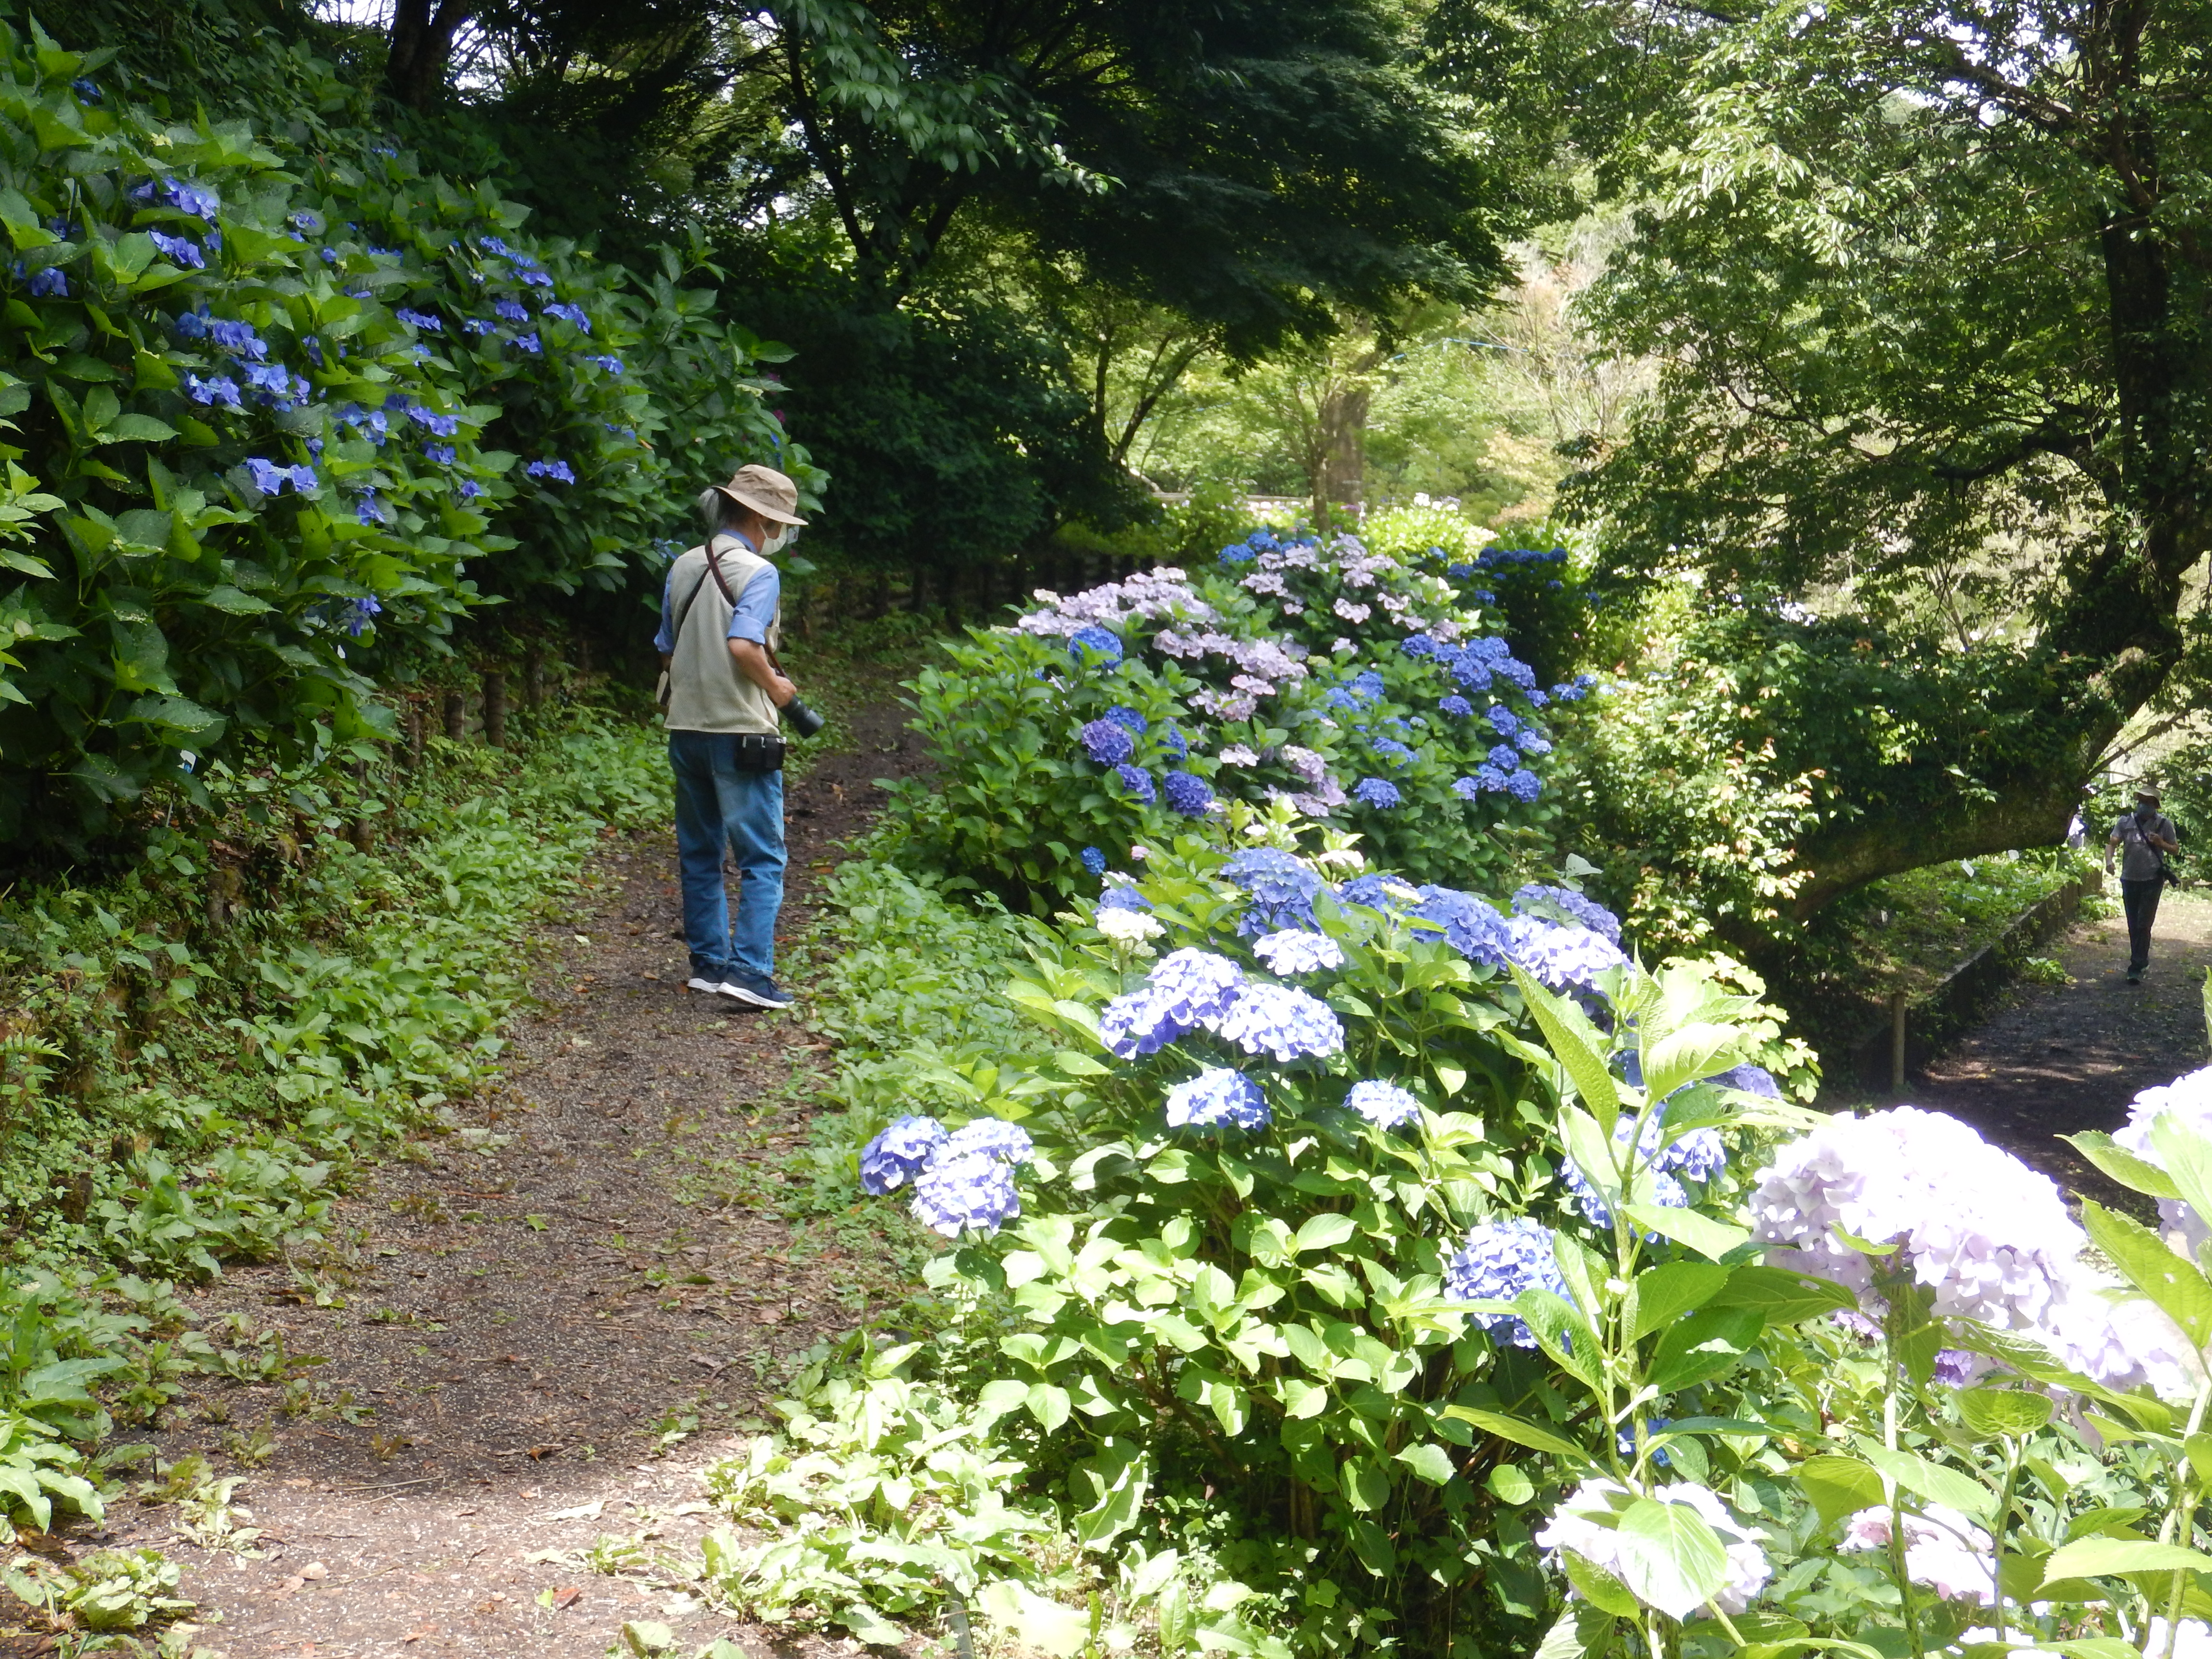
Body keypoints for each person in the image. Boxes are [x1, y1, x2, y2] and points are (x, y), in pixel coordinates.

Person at [655, 464, 806, 1010]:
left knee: (700, 851)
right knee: (762, 859)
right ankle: (750, 973)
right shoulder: (758, 572)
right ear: (765, 519)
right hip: (741, 732)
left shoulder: (683, 566)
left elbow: (667, 647)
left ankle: (708, 964)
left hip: (686, 728)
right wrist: (781, 691)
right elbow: (746, 645)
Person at [2105, 784, 2179, 985]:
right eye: (2141, 801)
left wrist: (2161, 844)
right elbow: (2112, 843)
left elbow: (2175, 849)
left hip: (2152, 881)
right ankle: (2140, 959)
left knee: (2143, 924)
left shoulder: (2164, 824)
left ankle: (2136, 966)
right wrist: (2109, 861)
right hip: (2129, 879)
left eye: (2148, 802)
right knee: (2132, 924)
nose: (2143, 805)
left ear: (2155, 805)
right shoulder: (2125, 822)